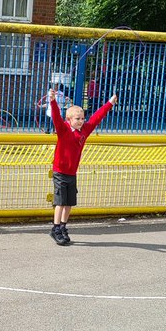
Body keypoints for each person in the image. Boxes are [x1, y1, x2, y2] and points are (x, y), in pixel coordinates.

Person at [48, 88, 118, 245]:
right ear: (69, 120)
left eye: (82, 118)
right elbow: (56, 117)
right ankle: (56, 228)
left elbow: (97, 117)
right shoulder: (63, 129)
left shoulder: (85, 130)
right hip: (60, 171)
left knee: (69, 202)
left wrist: (110, 103)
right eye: (77, 118)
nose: (81, 121)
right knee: (60, 202)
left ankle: (64, 227)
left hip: (72, 173)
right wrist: (52, 101)